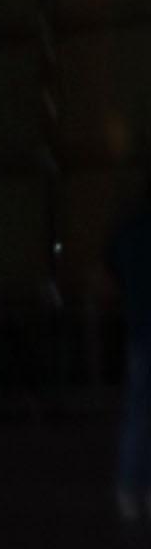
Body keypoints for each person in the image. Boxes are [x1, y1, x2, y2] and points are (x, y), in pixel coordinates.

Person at [107, 183, 151, 523]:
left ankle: (129, 488)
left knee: (138, 413)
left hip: (139, 327)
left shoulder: (128, 227)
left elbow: (114, 267)